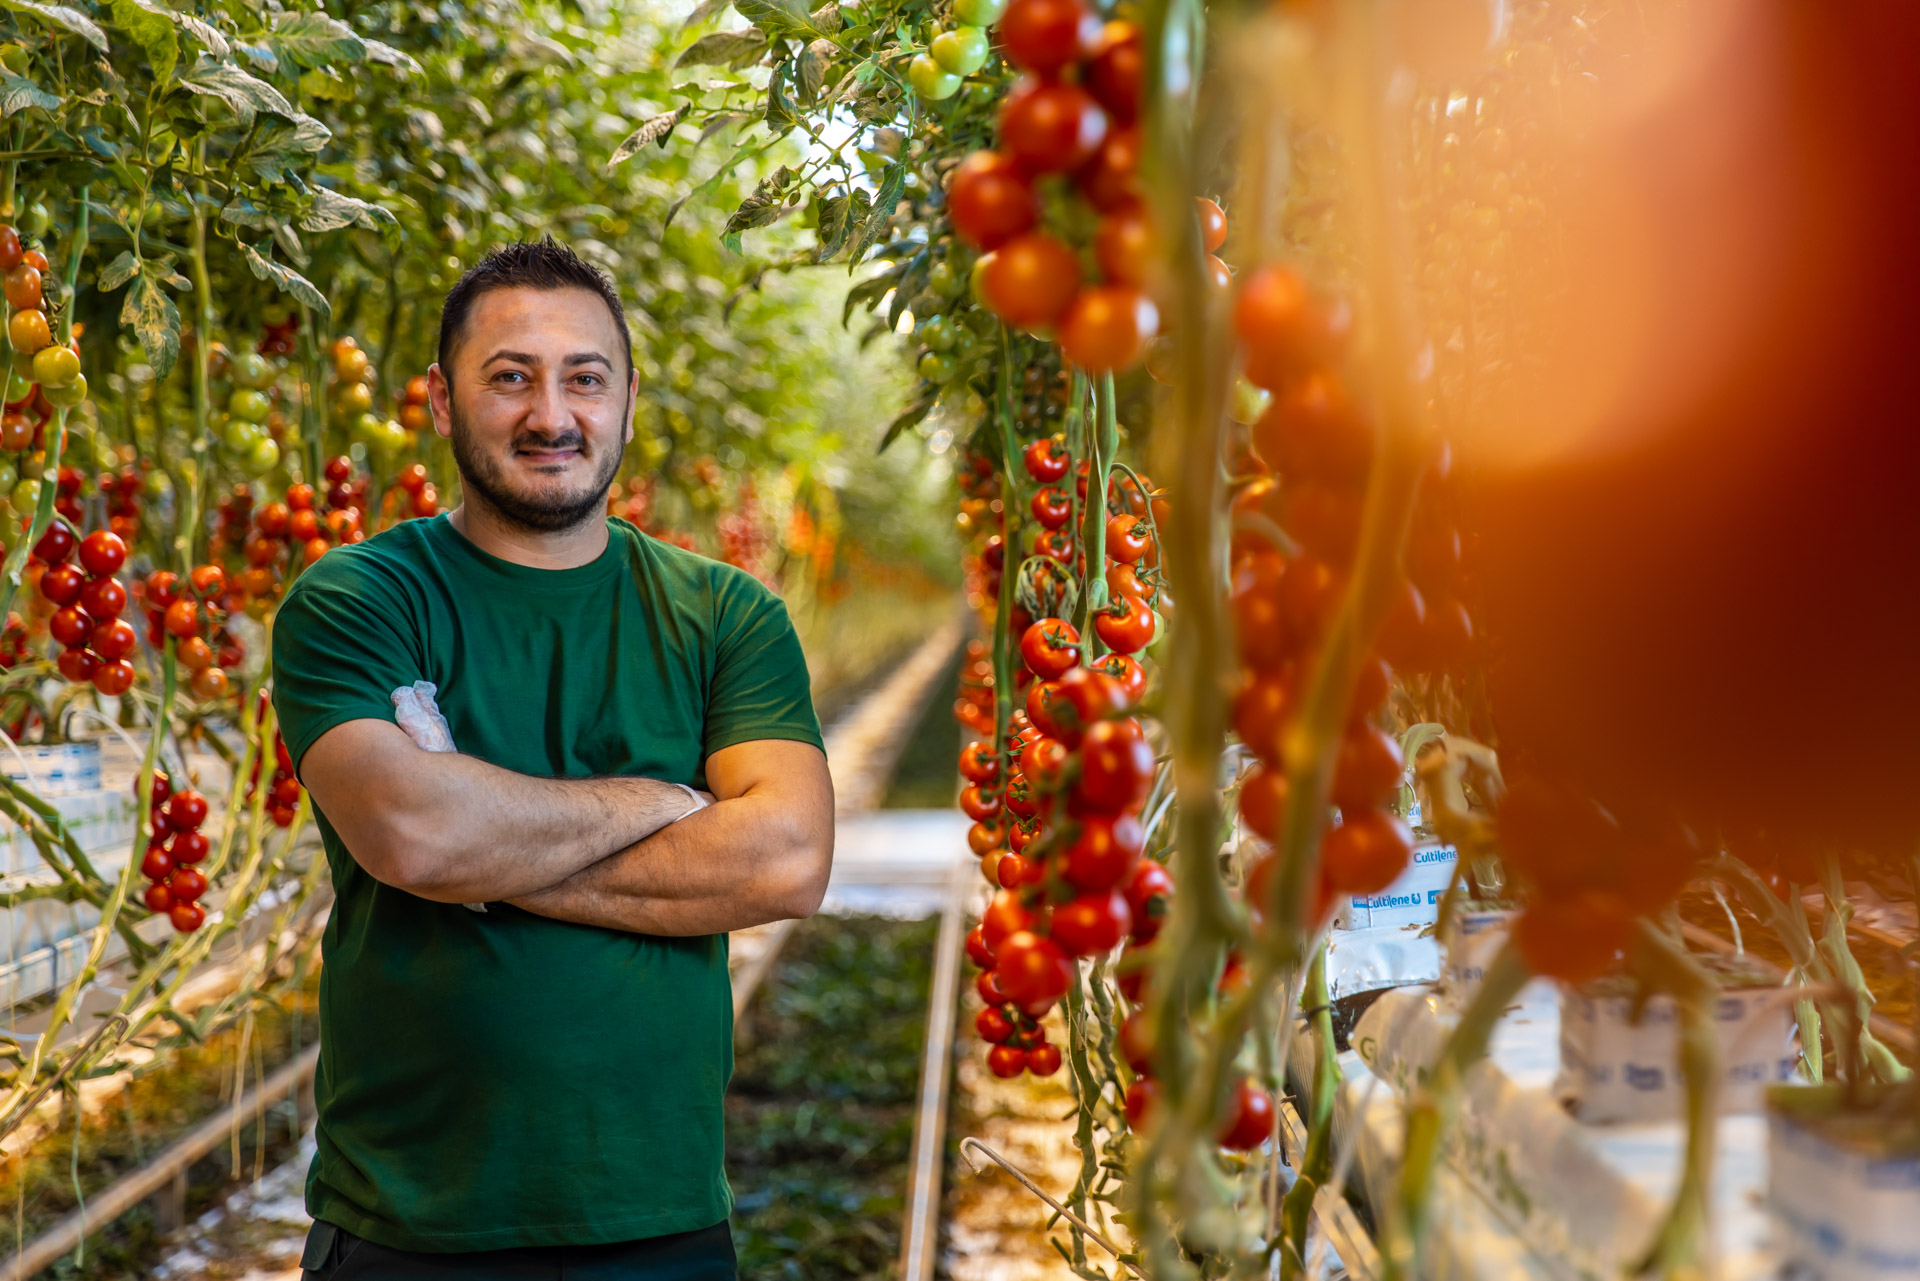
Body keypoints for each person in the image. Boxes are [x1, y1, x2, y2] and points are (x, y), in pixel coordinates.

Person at [273, 238, 834, 1279]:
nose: (551, 415)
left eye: (585, 378)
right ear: (441, 401)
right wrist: (669, 802)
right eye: (509, 378)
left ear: (627, 401)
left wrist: (489, 855)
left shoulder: (726, 615)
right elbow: (416, 834)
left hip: (661, 1223)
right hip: (408, 1230)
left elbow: (788, 859)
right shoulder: (359, 600)